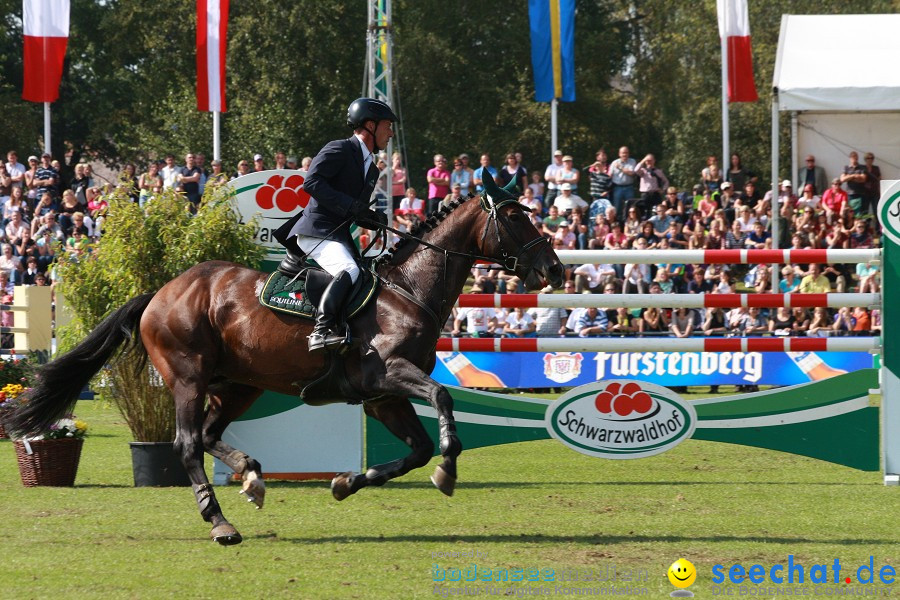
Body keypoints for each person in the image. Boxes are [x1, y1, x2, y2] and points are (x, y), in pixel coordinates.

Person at [272, 97, 394, 354]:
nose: (391, 132)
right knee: (349, 270)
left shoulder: (371, 168)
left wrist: (372, 219)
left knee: (367, 277)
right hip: (316, 231)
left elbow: (354, 211)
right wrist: (353, 206)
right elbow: (312, 183)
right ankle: (321, 331)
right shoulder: (339, 149)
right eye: (388, 125)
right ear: (370, 125)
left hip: (336, 235)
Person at [840, 151, 868, 217]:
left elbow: (863, 179)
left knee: (861, 213)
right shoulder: (846, 167)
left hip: (861, 193)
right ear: (850, 158)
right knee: (852, 211)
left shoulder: (862, 167)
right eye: (853, 158)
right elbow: (842, 179)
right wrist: (854, 176)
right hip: (851, 193)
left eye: (856, 157)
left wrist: (849, 177)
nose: (854, 159)